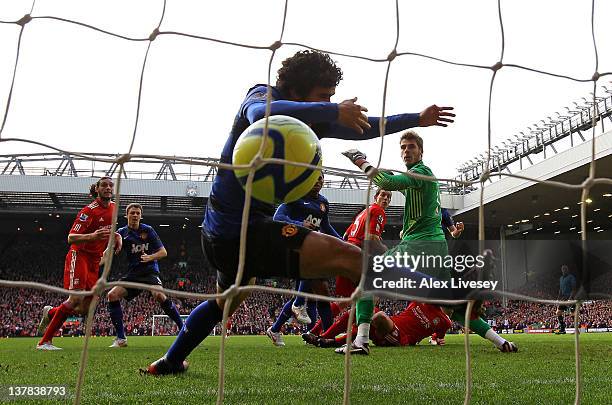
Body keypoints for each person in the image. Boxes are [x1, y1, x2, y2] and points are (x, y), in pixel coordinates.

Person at [145, 49, 454, 374]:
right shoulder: (263, 95)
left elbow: (367, 126)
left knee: (225, 303)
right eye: (324, 95)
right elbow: (259, 114)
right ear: (298, 89)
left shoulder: (308, 119)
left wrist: (417, 119)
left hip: (231, 232)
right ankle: (447, 292)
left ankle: (171, 360)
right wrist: (333, 109)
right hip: (236, 230)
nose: (330, 102)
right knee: (354, 259)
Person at [342, 131, 517, 354]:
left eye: (412, 146)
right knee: (450, 305)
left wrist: (359, 159)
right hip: (437, 248)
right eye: (403, 147)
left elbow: (386, 182)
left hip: (418, 245)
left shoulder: (420, 173)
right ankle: (501, 342)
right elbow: (407, 190)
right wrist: (452, 230)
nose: (407, 150)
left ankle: (361, 341)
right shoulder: (423, 180)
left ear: (421, 151)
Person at [36, 177, 121, 350]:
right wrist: (92, 236)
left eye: (110, 185)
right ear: (97, 189)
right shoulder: (88, 211)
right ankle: (45, 342)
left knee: (84, 309)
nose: (108, 188)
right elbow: (71, 237)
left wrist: (117, 236)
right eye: (104, 185)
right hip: (79, 254)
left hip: (95, 260)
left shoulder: (113, 208)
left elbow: (110, 229)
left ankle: (50, 312)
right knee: (75, 299)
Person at [303, 188, 391, 345]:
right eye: (383, 195)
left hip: (348, 254)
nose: (385, 199)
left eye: (388, 197)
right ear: (376, 197)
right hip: (358, 258)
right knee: (365, 303)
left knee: (346, 302)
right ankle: (327, 336)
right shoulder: (378, 211)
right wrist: (389, 252)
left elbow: (345, 235)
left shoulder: (364, 212)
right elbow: (371, 239)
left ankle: (313, 331)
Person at [266, 174, 341, 347]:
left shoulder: (323, 203)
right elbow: (278, 218)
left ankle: (279, 328)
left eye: (321, 179)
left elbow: (326, 226)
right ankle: (312, 321)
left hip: (309, 249)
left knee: (318, 294)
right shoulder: (295, 196)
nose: (318, 182)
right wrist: (300, 223)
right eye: (315, 178)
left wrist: (343, 242)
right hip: (292, 249)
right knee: (319, 291)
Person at [106, 203, 184, 348]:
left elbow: (163, 252)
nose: (135, 215)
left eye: (137, 213)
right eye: (132, 213)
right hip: (133, 273)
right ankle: (121, 339)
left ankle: (183, 330)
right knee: (112, 295)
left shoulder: (148, 230)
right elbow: (110, 249)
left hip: (149, 270)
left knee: (159, 295)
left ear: (141, 216)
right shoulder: (121, 232)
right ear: (126, 215)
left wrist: (150, 257)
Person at [315, 302, 452, 349]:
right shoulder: (421, 300)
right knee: (359, 309)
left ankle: (335, 342)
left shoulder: (444, 321)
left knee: (379, 316)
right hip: (388, 325)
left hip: (400, 337)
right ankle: (324, 337)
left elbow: (438, 336)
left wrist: (436, 339)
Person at [555, 264, 577, 334]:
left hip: (571, 298)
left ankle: (577, 330)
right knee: (558, 312)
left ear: (568, 270)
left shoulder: (571, 277)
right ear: (561, 270)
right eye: (563, 269)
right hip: (564, 298)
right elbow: (560, 290)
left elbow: (574, 289)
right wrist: (558, 299)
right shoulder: (561, 278)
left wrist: (570, 299)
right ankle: (562, 329)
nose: (564, 270)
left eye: (565, 269)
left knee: (573, 313)